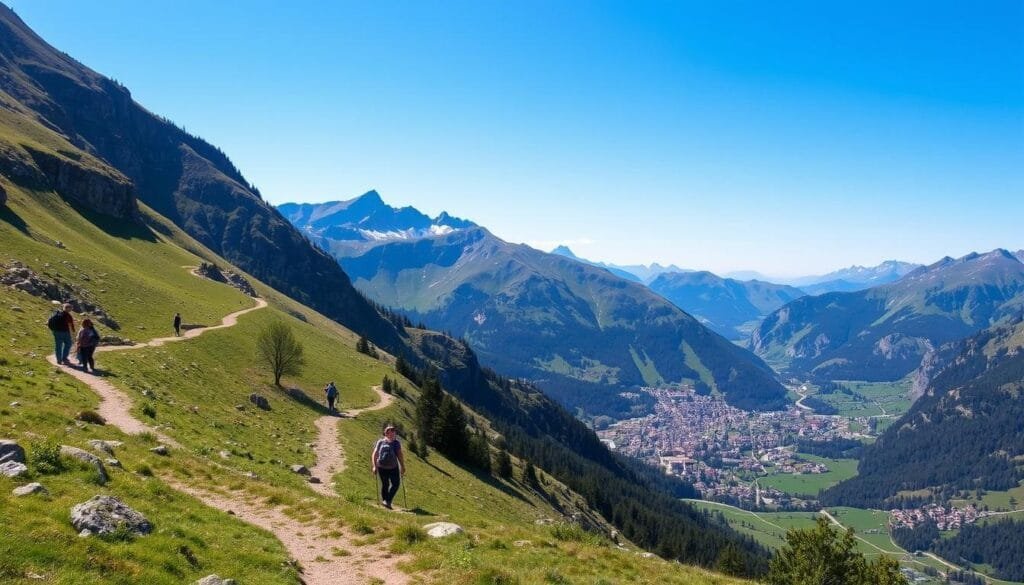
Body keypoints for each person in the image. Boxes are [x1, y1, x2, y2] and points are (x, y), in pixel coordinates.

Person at [371, 424, 405, 509]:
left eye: (394, 433)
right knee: (395, 484)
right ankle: (387, 501)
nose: (393, 435)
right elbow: (400, 455)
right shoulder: (396, 443)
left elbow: (374, 454)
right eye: (392, 433)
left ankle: (385, 501)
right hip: (392, 467)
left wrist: (375, 466)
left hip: (381, 467)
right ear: (386, 434)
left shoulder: (380, 442)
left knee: (385, 484)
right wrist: (402, 467)